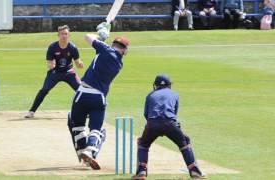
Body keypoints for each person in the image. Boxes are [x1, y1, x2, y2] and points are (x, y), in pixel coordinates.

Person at [67, 22, 129, 170]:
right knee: (96, 129)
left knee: (76, 125)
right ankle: (90, 150)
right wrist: (102, 40)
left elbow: (87, 37)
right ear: (124, 51)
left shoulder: (105, 50)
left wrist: (100, 34)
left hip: (82, 93)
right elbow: (104, 53)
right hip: (98, 97)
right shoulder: (118, 63)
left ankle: (81, 151)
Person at [132, 74, 205, 180]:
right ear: (169, 85)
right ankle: (195, 172)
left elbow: (146, 115)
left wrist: (154, 127)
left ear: (155, 85)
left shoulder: (150, 95)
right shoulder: (175, 94)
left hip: (153, 123)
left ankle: (141, 172)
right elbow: (174, 113)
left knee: (143, 143)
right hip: (170, 124)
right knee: (185, 142)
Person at [24, 25, 83, 118]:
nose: (64, 36)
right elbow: (49, 63)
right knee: (44, 90)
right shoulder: (52, 47)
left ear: (69, 35)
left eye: (66, 34)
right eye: (62, 34)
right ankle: (32, 111)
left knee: (82, 90)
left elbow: (77, 62)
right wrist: (52, 65)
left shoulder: (73, 48)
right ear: (58, 35)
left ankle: (85, 112)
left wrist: (80, 64)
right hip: (55, 72)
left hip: (69, 71)